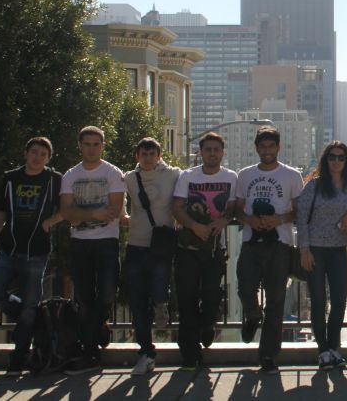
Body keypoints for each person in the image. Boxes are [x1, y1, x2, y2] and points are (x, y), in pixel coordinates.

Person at [0, 137, 63, 377]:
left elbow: (66, 207)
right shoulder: (11, 177)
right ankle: (34, 317)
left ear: (48, 158)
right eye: (34, 152)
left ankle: (18, 359)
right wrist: (1, 227)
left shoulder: (54, 179)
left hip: (36, 250)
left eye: (43, 154)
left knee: (30, 304)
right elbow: (1, 206)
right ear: (26, 153)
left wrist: (50, 222)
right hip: (9, 248)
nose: (38, 157)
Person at [233, 126, 304, 375]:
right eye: (262, 146)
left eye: (271, 146)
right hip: (251, 243)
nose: (266, 150)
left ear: (278, 148)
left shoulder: (292, 175)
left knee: (275, 301)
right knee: (244, 287)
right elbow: (237, 209)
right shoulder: (245, 175)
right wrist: (249, 220)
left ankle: (268, 355)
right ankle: (252, 315)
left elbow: (299, 211)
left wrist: (279, 219)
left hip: (280, 245)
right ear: (256, 148)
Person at [59, 126, 125, 375]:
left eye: (96, 144)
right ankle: (90, 350)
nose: (91, 149)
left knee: (107, 291)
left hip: (107, 240)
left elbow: (114, 210)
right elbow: (66, 212)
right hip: (80, 242)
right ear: (80, 146)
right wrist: (95, 213)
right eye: (87, 144)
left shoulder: (112, 173)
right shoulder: (70, 175)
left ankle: (98, 323)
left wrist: (82, 214)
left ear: (102, 146)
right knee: (84, 296)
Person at [172, 132, 237, 371]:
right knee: (186, 300)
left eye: (216, 149)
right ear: (201, 153)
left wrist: (224, 220)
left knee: (211, 296)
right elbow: (177, 208)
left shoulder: (231, 177)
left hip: (214, 249)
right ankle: (190, 354)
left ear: (223, 153)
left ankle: (207, 325)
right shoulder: (188, 176)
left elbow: (233, 208)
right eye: (207, 149)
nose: (212, 153)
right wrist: (194, 225)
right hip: (187, 247)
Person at [296, 141, 347, 370]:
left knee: (339, 300)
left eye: (341, 157)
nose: (337, 161)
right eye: (332, 157)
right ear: (326, 160)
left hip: (338, 248)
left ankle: (334, 348)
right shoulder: (313, 185)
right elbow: (301, 218)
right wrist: (304, 249)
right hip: (315, 249)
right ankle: (322, 351)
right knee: (318, 301)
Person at [124, 137, 181, 376]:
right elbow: (118, 201)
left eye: (151, 154)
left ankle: (161, 306)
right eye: (143, 154)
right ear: (137, 156)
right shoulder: (129, 177)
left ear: (159, 156)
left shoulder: (173, 175)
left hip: (161, 246)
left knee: (159, 289)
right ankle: (146, 353)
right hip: (135, 244)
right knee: (137, 302)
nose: (147, 158)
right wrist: (123, 218)